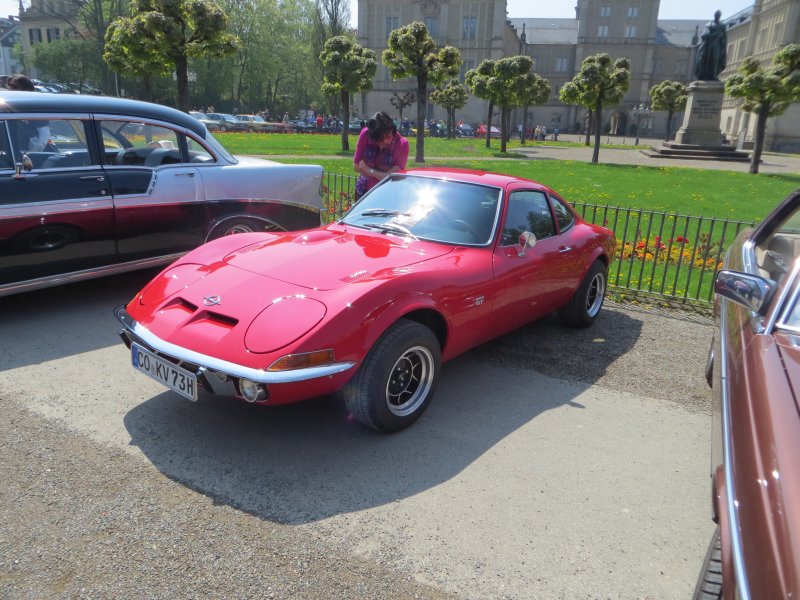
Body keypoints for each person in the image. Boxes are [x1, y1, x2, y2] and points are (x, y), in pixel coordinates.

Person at [353, 111, 409, 199]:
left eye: (389, 137)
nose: (386, 141)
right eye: (380, 139)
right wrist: (385, 174)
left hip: (386, 195)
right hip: (363, 193)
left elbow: (394, 178)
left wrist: (368, 169)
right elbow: (356, 166)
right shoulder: (365, 134)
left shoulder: (402, 144)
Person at [6, 75, 53, 153]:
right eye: (9, 85)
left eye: (13, 86)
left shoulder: (34, 108)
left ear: (24, 89)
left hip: (29, 156)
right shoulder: (7, 106)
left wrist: (31, 156)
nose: (9, 89)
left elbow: (43, 137)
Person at [694, 10, 727, 81]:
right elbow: (703, 36)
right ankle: (705, 76)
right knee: (707, 60)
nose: (717, 16)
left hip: (717, 45)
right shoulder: (709, 24)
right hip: (708, 46)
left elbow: (725, 38)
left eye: (719, 15)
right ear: (714, 16)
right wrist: (713, 35)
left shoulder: (722, 26)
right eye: (716, 15)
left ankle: (713, 76)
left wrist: (724, 49)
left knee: (716, 59)